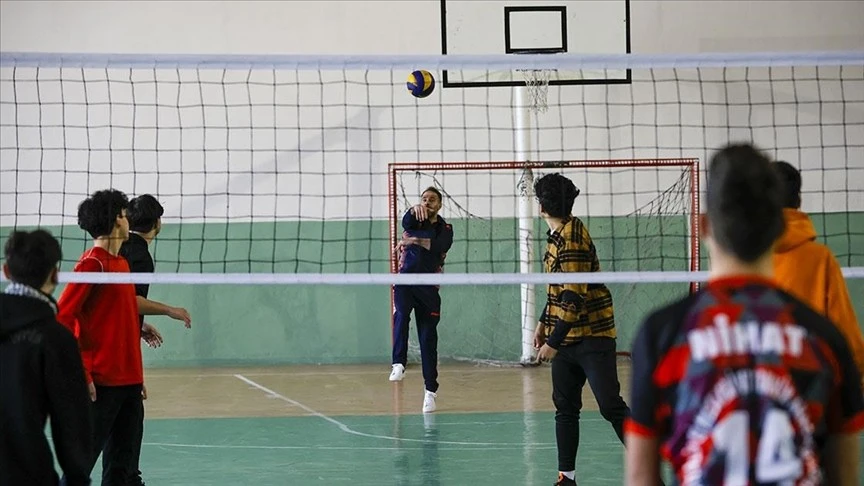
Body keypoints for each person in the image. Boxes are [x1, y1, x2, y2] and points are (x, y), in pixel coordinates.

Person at [625, 144, 864, 485]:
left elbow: (640, 477)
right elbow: (845, 477)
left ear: (703, 225)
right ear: (780, 226)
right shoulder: (826, 339)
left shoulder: (661, 335)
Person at [531, 173, 630, 486]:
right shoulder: (556, 234)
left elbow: (573, 297)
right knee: (565, 408)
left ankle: (650, 468)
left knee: (610, 406)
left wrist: (552, 342)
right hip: (566, 336)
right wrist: (543, 323)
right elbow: (558, 290)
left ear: (542, 207)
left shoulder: (572, 237)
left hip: (592, 337)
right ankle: (567, 478)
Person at [56, 189, 146, 486]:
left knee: (122, 469)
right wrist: (82, 373)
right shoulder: (93, 264)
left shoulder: (121, 263)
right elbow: (63, 317)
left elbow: (114, 314)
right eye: (125, 214)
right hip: (101, 384)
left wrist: (136, 374)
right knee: (79, 466)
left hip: (129, 382)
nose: (128, 220)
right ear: (117, 219)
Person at [0, 229, 93, 486]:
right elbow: (72, 422)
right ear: (54, 274)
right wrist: (77, 476)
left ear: (6, 271)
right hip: (25, 474)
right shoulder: (57, 339)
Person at [117, 194, 191, 485]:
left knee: (125, 419)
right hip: (119, 352)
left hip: (118, 341)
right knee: (127, 422)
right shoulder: (139, 254)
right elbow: (130, 300)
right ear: (158, 223)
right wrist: (170, 310)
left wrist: (140, 325)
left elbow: (118, 301)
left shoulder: (121, 247)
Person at [772, 160, 864, 378]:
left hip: (761, 384)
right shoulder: (821, 259)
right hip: (813, 382)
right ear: (799, 201)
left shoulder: (744, 259)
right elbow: (847, 338)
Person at [389, 186, 453, 414]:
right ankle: (398, 363)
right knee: (401, 313)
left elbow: (437, 246)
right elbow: (406, 222)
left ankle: (430, 392)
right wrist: (412, 209)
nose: (427, 202)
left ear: (440, 205)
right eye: (424, 199)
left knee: (427, 339)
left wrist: (413, 241)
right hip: (406, 282)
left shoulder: (446, 229)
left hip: (429, 288)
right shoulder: (414, 220)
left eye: (432, 199)